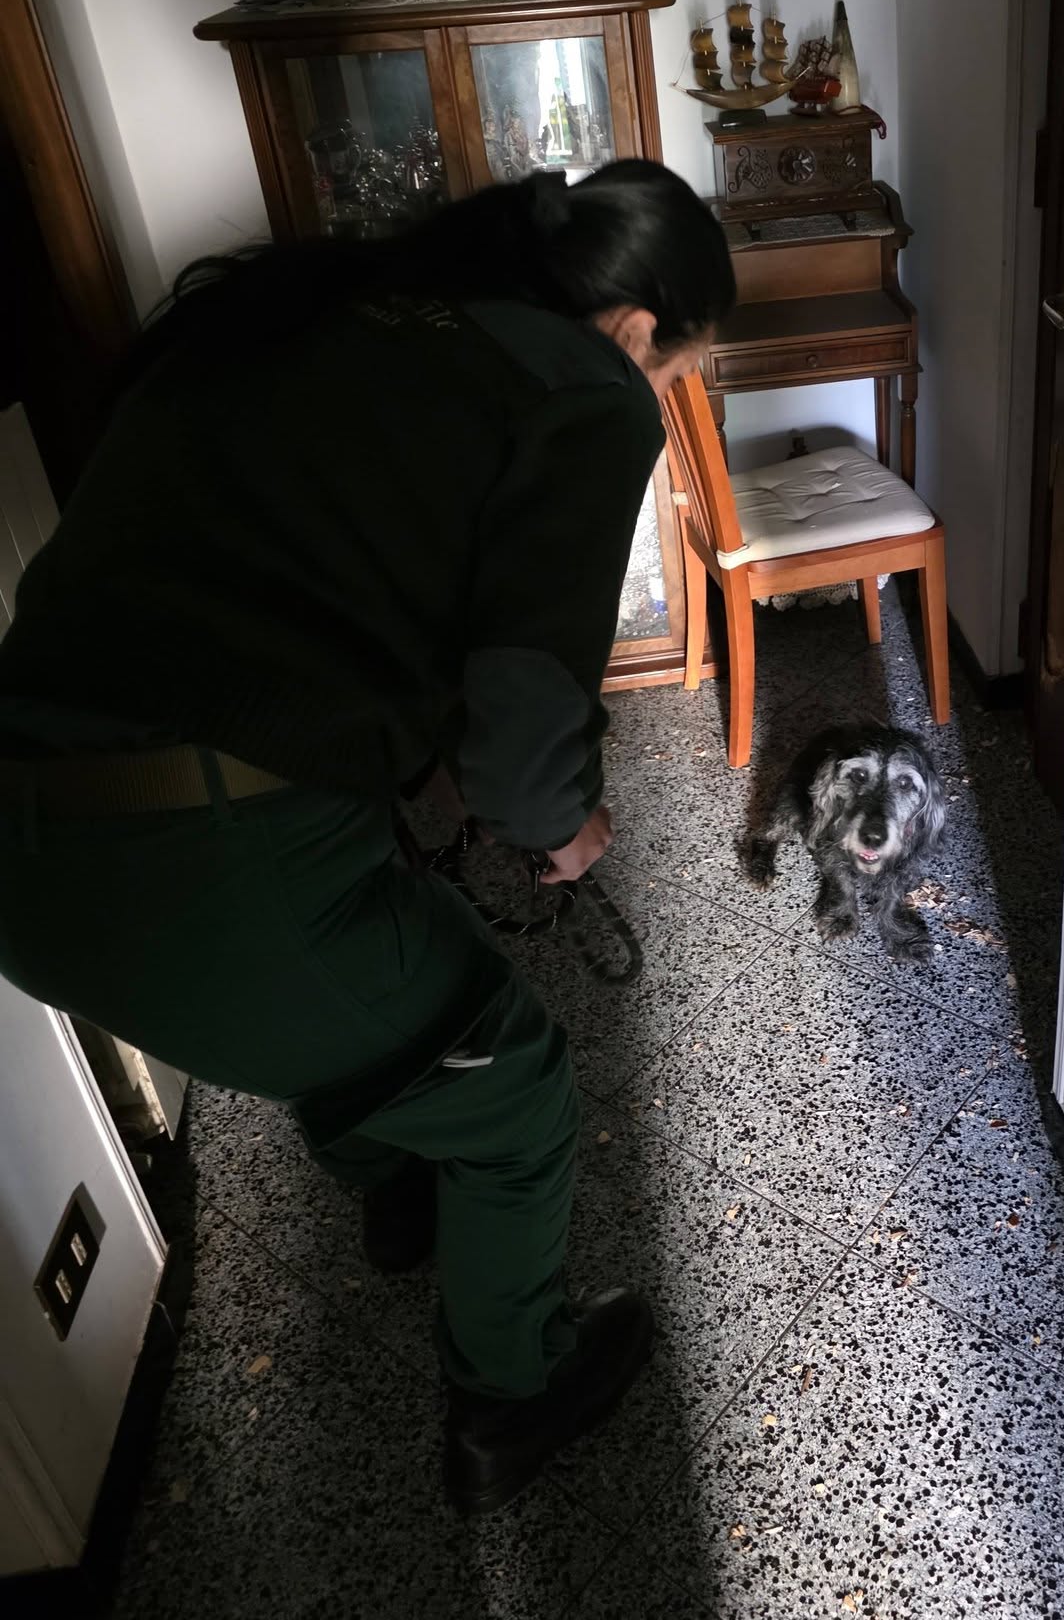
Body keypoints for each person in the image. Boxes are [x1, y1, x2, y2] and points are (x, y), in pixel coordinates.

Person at [0, 161, 736, 1515]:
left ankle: (402, 1194)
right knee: (511, 1077)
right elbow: (524, 740)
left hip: (29, 845)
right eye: (684, 368)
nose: (670, 390)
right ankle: (511, 1400)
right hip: (199, 867)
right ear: (638, 333)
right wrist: (572, 826)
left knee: (396, 978)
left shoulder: (345, 310)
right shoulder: (583, 388)